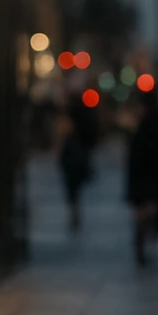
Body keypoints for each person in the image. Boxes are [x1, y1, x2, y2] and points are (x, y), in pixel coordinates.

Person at [126, 91, 158, 267]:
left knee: (146, 213)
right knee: (152, 212)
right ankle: (146, 241)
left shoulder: (146, 127)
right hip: (153, 179)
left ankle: (144, 243)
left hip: (147, 178)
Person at [59, 94, 98, 231]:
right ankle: (75, 210)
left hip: (72, 158)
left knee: (72, 188)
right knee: (75, 188)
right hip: (79, 157)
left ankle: (74, 210)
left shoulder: (71, 123)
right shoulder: (86, 120)